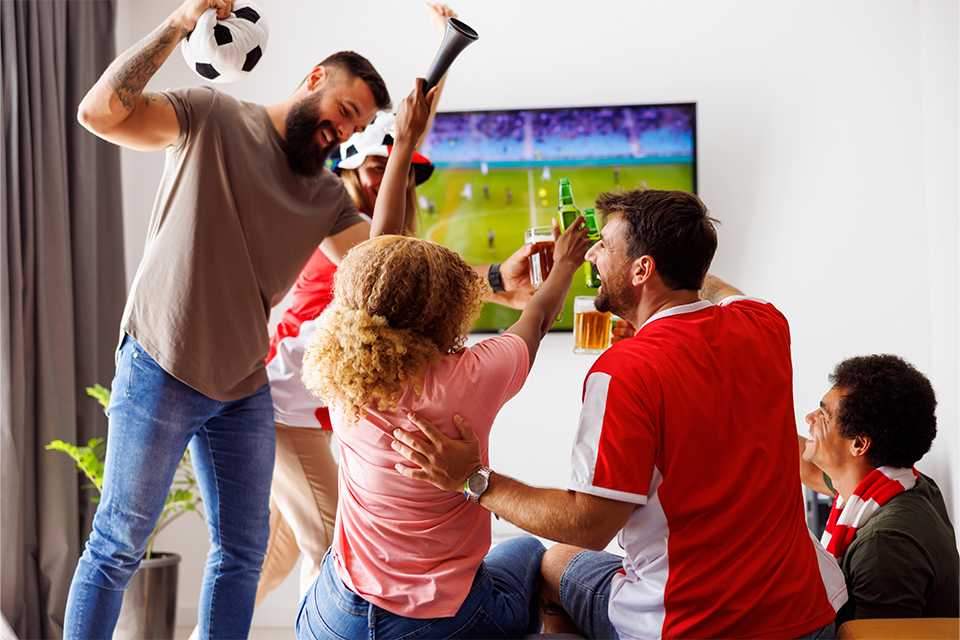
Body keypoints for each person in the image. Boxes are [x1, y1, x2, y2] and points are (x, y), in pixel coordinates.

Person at [63, 0, 404, 635]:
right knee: (116, 546)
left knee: (242, 556)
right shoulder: (213, 117)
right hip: (160, 364)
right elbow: (97, 113)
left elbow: (386, 268)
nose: (346, 133)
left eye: (358, 128)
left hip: (243, 387)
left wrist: (406, 144)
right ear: (314, 80)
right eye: (345, 112)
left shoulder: (326, 196)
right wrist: (173, 27)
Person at [391, 189, 848, 639]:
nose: (592, 254)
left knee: (552, 561)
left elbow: (589, 525)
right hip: (805, 616)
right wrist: (674, 270)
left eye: (604, 245)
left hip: (692, 625)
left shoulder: (625, 371)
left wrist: (473, 478)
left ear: (642, 269)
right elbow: (720, 290)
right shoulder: (765, 323)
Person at [293, 195, 591, 636]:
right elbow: (539, 316)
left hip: (333, 619)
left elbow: (378, 248)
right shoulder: (472, 376)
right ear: (450, 308)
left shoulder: (341, 369)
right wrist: (565, 263)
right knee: (528, 551)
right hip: (437, 625)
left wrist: (405, 142)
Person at [799, 355, 959, 626]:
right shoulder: (907, 485)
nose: (809, 418)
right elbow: (800, 464)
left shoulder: (884, 545)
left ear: (859, 444)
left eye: (823, 414)